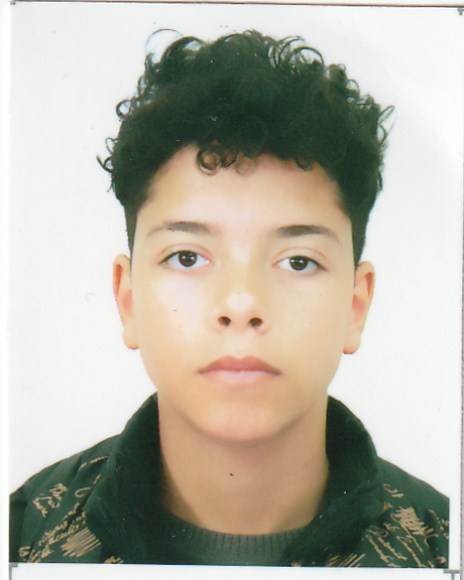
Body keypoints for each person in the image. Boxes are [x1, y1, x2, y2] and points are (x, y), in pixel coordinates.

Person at [9, 30, 449, 567]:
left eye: (298, 261)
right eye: (186, 257)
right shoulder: (23, 537)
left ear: (356, 306)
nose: (241, 304)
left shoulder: (442, 548)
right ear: (128, 299)